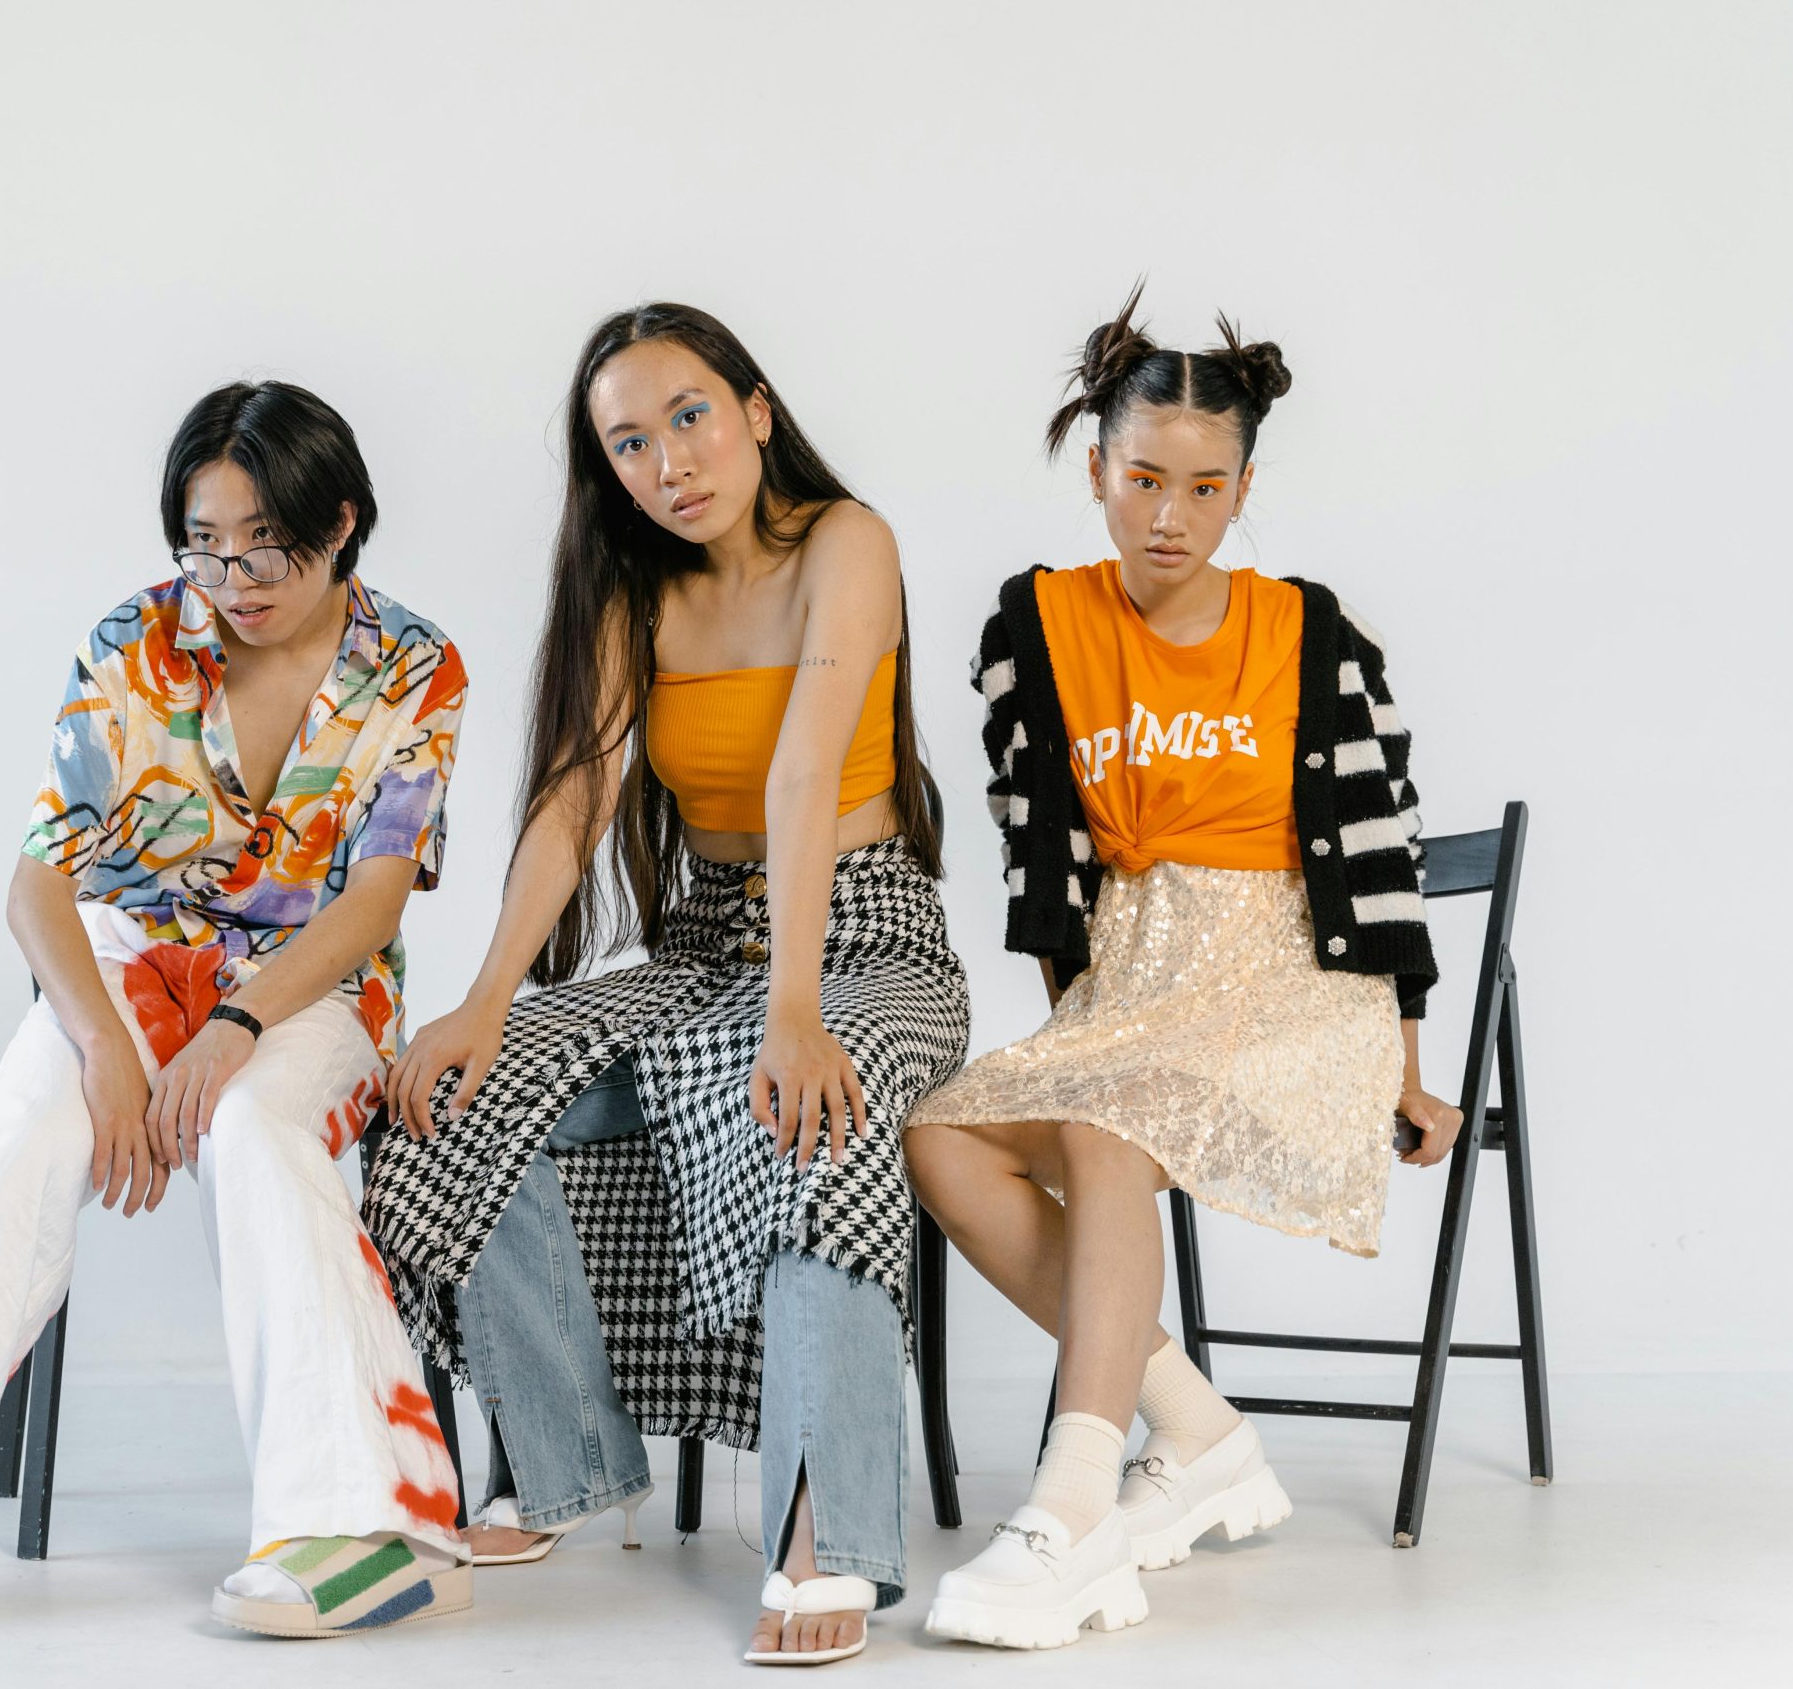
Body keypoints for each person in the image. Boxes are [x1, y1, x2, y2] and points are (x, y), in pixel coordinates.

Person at [0, 382, 473, 1641]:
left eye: (269, 544)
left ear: (342, 522)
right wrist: (100, 1049)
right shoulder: (132, 642)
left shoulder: (415, 664)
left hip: (313, 986)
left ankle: (371, 1523)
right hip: (128, 965)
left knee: (255, 1135)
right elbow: (37, 887)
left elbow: (373, 900)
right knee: (23, 1134)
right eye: (207, 542)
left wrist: (235, 1030)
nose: (235, 577)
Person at [365, 304, 969, 1668]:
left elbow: (807, 770)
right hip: (700, 946)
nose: (668, 462)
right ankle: (573, 1456)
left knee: (818, 1115)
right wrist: (479, 1001)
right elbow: (575, 797)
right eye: (628, 443)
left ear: (757, 409)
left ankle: (826, 1532)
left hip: (867, 940)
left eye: (689, 416)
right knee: (463, 1093)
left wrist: (801, 1008)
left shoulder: (846, 541)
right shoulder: (638, 590)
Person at [907, 287, 1465, 1650]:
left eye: (1205, 487)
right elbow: (1042, 871)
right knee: (943, 1136)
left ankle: (1075, 1502)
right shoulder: (1033, 632)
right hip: (1137, 984)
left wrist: (1405, 1065)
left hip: (1293, 981)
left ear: (1243, 489)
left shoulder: (1313, 636)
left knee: (1111, 1118)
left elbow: (1379, 861)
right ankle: (1198, 1427)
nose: (1170, 513)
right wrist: (1088, 1016)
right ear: (1094, 464)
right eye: (1143, 477)